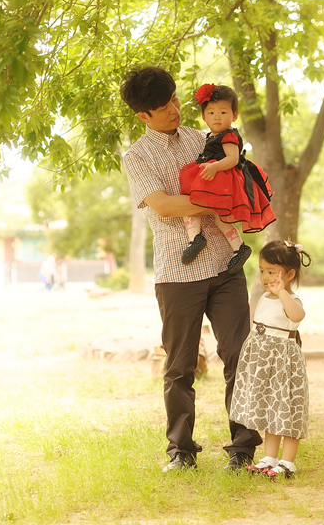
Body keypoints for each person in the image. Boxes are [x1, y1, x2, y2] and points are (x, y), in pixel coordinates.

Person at [119, 66, 263, 473]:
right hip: (177, 272)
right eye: (164, 107)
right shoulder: (137, 156)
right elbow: (164, 206)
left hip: (225, 266)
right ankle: (181, 451)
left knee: (239, 355)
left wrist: (220, 195)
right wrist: (217, 200)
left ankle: (243, 448)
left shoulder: (204, 139)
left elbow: (234, 178)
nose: (175, 109)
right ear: (143, 115)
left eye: (175, 100)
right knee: (180, 365)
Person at [230, 240, 312, 479]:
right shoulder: (264, 297)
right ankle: (270, 458)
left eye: (272, 272)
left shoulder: (291, 300)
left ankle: (288, 462)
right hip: (265, 364)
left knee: (287, 409)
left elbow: (297, 316)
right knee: (271, 408)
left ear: (290, 274)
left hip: (283, 365)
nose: (266, 277)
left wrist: (282, 292)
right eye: (262, 271)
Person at [177, 83, 275, 275]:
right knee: (212, 213)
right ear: (204, 117)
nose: (217, 117)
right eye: (211, 113)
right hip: (215, 174)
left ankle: (198, 239)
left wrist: (214, 167)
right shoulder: (212, 135)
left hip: (222, 176)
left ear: (234, 115)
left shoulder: (228, 135)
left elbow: (233, 158)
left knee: (194, 205)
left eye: (223, 112)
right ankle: (233, 246)